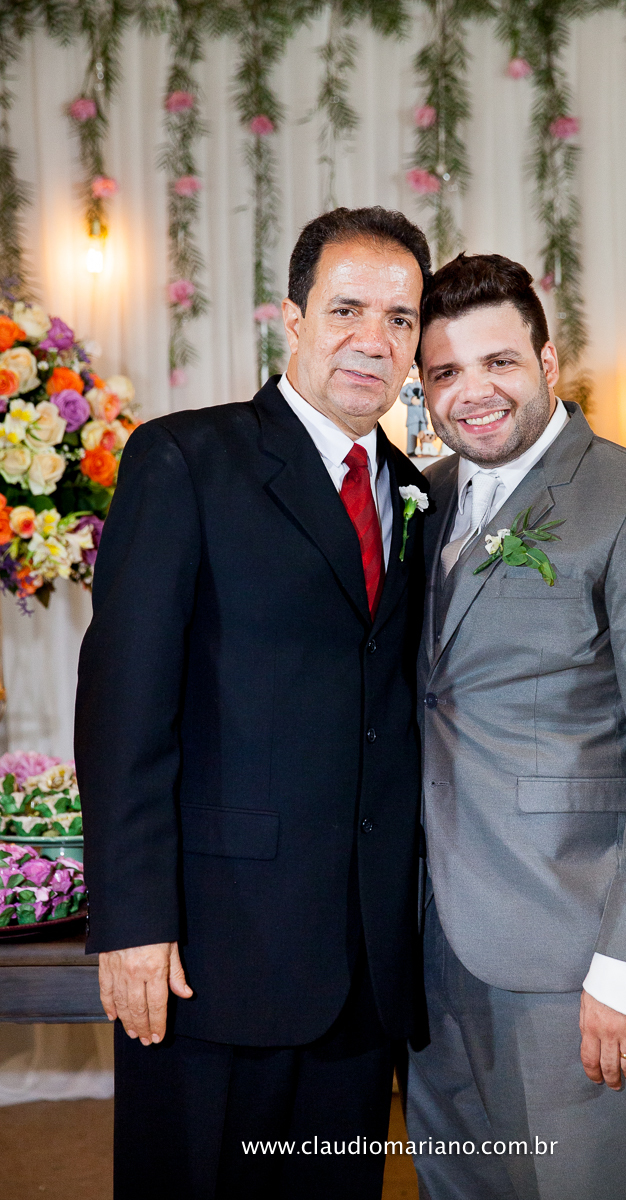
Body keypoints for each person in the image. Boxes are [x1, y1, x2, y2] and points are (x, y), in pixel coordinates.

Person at [75, 206, 432, 1200]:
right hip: (212, 954)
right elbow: (122, 707)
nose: (373, 339)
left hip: (361, 965)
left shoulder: (413, 490)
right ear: (293, 317)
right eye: (347, 309)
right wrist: (131, 921)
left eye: (400, 319)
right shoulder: (186, 459)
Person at [407, 253, 626, 1200]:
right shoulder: (421, 500)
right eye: (445, 371)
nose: (473, 392)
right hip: (429, 945)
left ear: (548, 362)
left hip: (578, 948)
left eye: (499, 362)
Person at [400, 362, 429, 455]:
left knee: (425, 433)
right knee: (412, 434)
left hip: (423, 417)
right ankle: (411, 451)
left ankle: (426, 450)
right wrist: (410, 399)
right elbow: (402, 396)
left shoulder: (425, 386)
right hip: (413, 417)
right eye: (413, 366)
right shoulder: (407, 387)